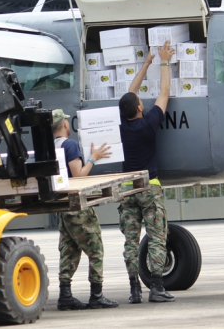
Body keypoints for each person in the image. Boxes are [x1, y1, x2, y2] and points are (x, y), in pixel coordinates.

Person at [118, 40, 176, 303]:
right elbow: (164, 92)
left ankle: (134, 290)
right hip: (149, 186)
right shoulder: (149, 124)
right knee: (156, 236)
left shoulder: (124, 125)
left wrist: (146, 63)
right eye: (141, 101)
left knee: (131, 239)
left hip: (127, 188)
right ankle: (157, 287)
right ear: (140, 108)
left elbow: (130, 93)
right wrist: (164, 61)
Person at [52, 109, 119, 310]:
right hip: (77, 206)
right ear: (65, 124)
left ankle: (65, 296)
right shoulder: (69, 145)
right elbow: (79, 177)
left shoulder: (50, 146)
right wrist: (93, 158)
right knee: (95, 249)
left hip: (63, 207)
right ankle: (96, 295)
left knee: (68, 250)